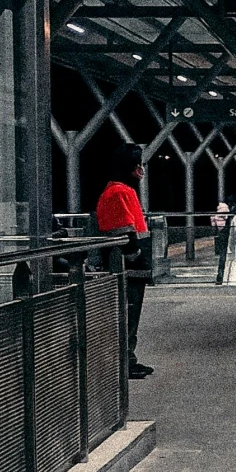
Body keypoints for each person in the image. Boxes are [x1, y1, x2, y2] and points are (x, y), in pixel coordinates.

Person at [96, 151, 155, 378]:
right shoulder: (118, 192)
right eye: (138, 165)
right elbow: (123, 231)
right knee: (126, 315)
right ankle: (123, 362)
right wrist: (135, 254)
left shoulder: (120, 191)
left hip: (133, 269)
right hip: (128, 269)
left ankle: (128, 359)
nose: (141, 171)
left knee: (130, 316)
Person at [213, 198, 231, 282]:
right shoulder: (228, 215)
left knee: (222, 256)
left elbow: (214, 227)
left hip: (221, 235)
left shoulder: (215, 216)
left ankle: (220, 276)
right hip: (228, 234)